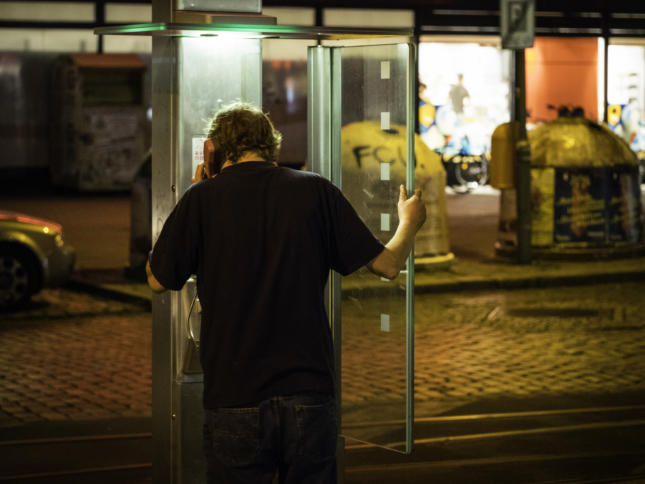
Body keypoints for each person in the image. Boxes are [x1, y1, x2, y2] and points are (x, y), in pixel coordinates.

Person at [146, 102, 426, 484]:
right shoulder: (315, 190)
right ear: (272, 145)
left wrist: (195, 199)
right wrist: (409, 222)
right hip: (308, 392)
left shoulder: (201, 199)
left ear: (212, 151)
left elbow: (157, 279)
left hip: (235, 395)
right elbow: (388, 265)